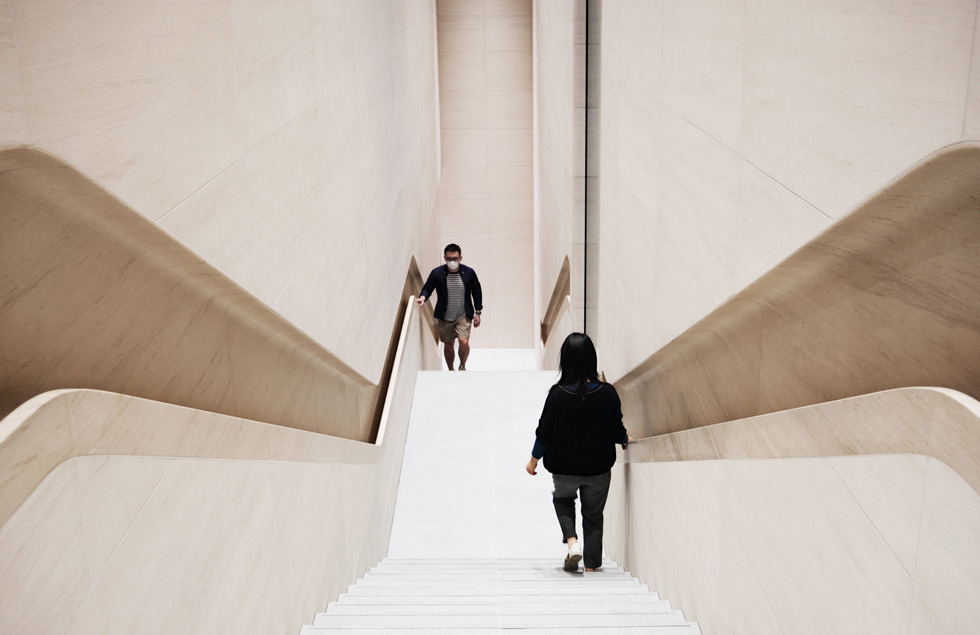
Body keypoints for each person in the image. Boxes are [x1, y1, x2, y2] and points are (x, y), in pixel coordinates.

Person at [526, 333, 632, 572]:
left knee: (562, 500)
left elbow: (544, 432)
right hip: (598, 469)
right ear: (591, 360)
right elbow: (616, 428)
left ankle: (572, 543)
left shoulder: (557, 395)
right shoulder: (608, 393)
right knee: (593, 516)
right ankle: (593, 566)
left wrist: (533, 460)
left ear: (565, 361)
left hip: (564, 469)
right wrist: (625, 439)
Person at [417, 243, 483, 371]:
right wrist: (423, 297)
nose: (452, 261)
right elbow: (428, 287)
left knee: (463, 342)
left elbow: (477, 291)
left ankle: (462, 365)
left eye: (455, 259)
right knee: (448, 344)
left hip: (464, 314)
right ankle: (451, 369)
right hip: (445, 316)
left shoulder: (469, 272)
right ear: (445, 258)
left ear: (460, 258)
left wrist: (478, 312)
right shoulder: (437, 273)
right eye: (449, 259)